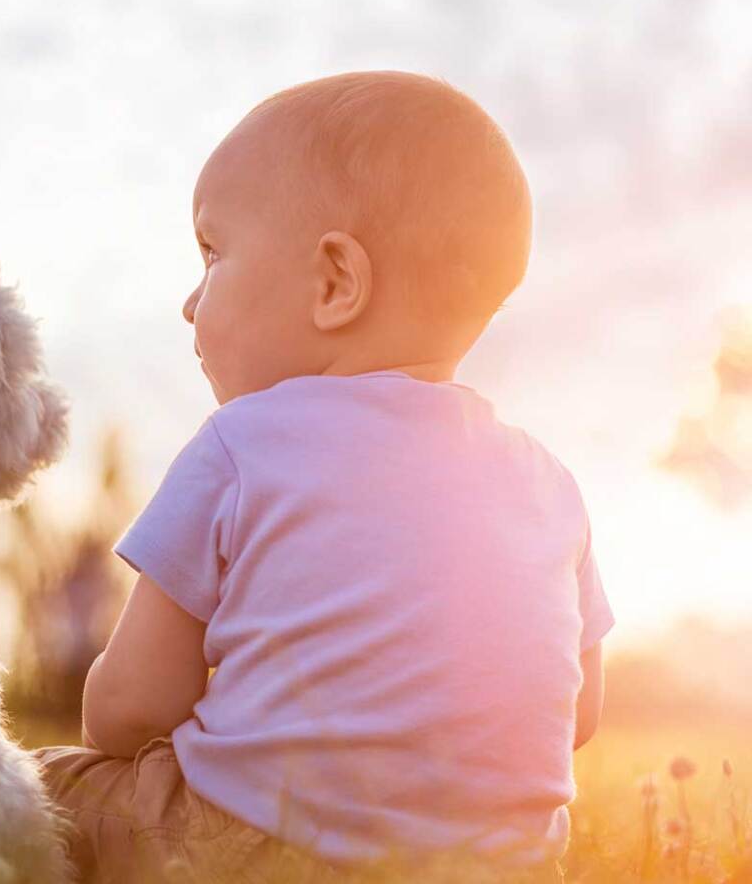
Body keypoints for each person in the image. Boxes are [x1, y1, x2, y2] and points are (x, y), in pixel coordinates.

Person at [33, 70, 611, 884]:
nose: (190, 303)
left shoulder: (243, 443)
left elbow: (127, 709)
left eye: (212, 253)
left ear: (336, 283)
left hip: (247, 852)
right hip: (495, 869)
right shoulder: (551, 486)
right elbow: (577, 717)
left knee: (35, 788)